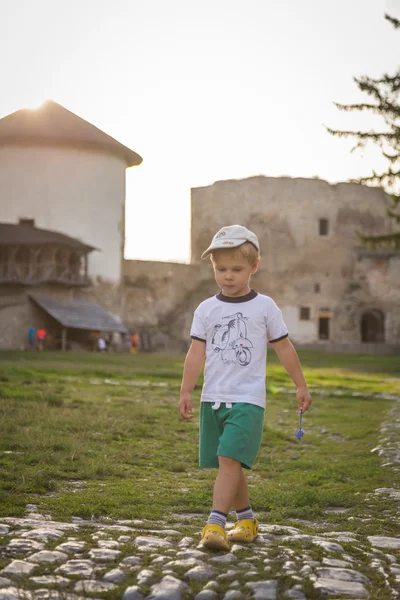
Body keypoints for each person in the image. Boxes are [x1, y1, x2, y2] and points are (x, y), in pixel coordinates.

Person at [179, 224, 312, 551]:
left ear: (254, 266)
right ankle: (248, 521)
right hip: (213, 399)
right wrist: (186, 391)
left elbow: (284, 347)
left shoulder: (264, 307)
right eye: (220, 269)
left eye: (236, 269)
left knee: (227, 459)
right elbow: (196, 352)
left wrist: (301, 385)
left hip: (248, 400)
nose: (227, 276)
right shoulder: (206, 309)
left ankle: (214, 524)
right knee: (230, 463)